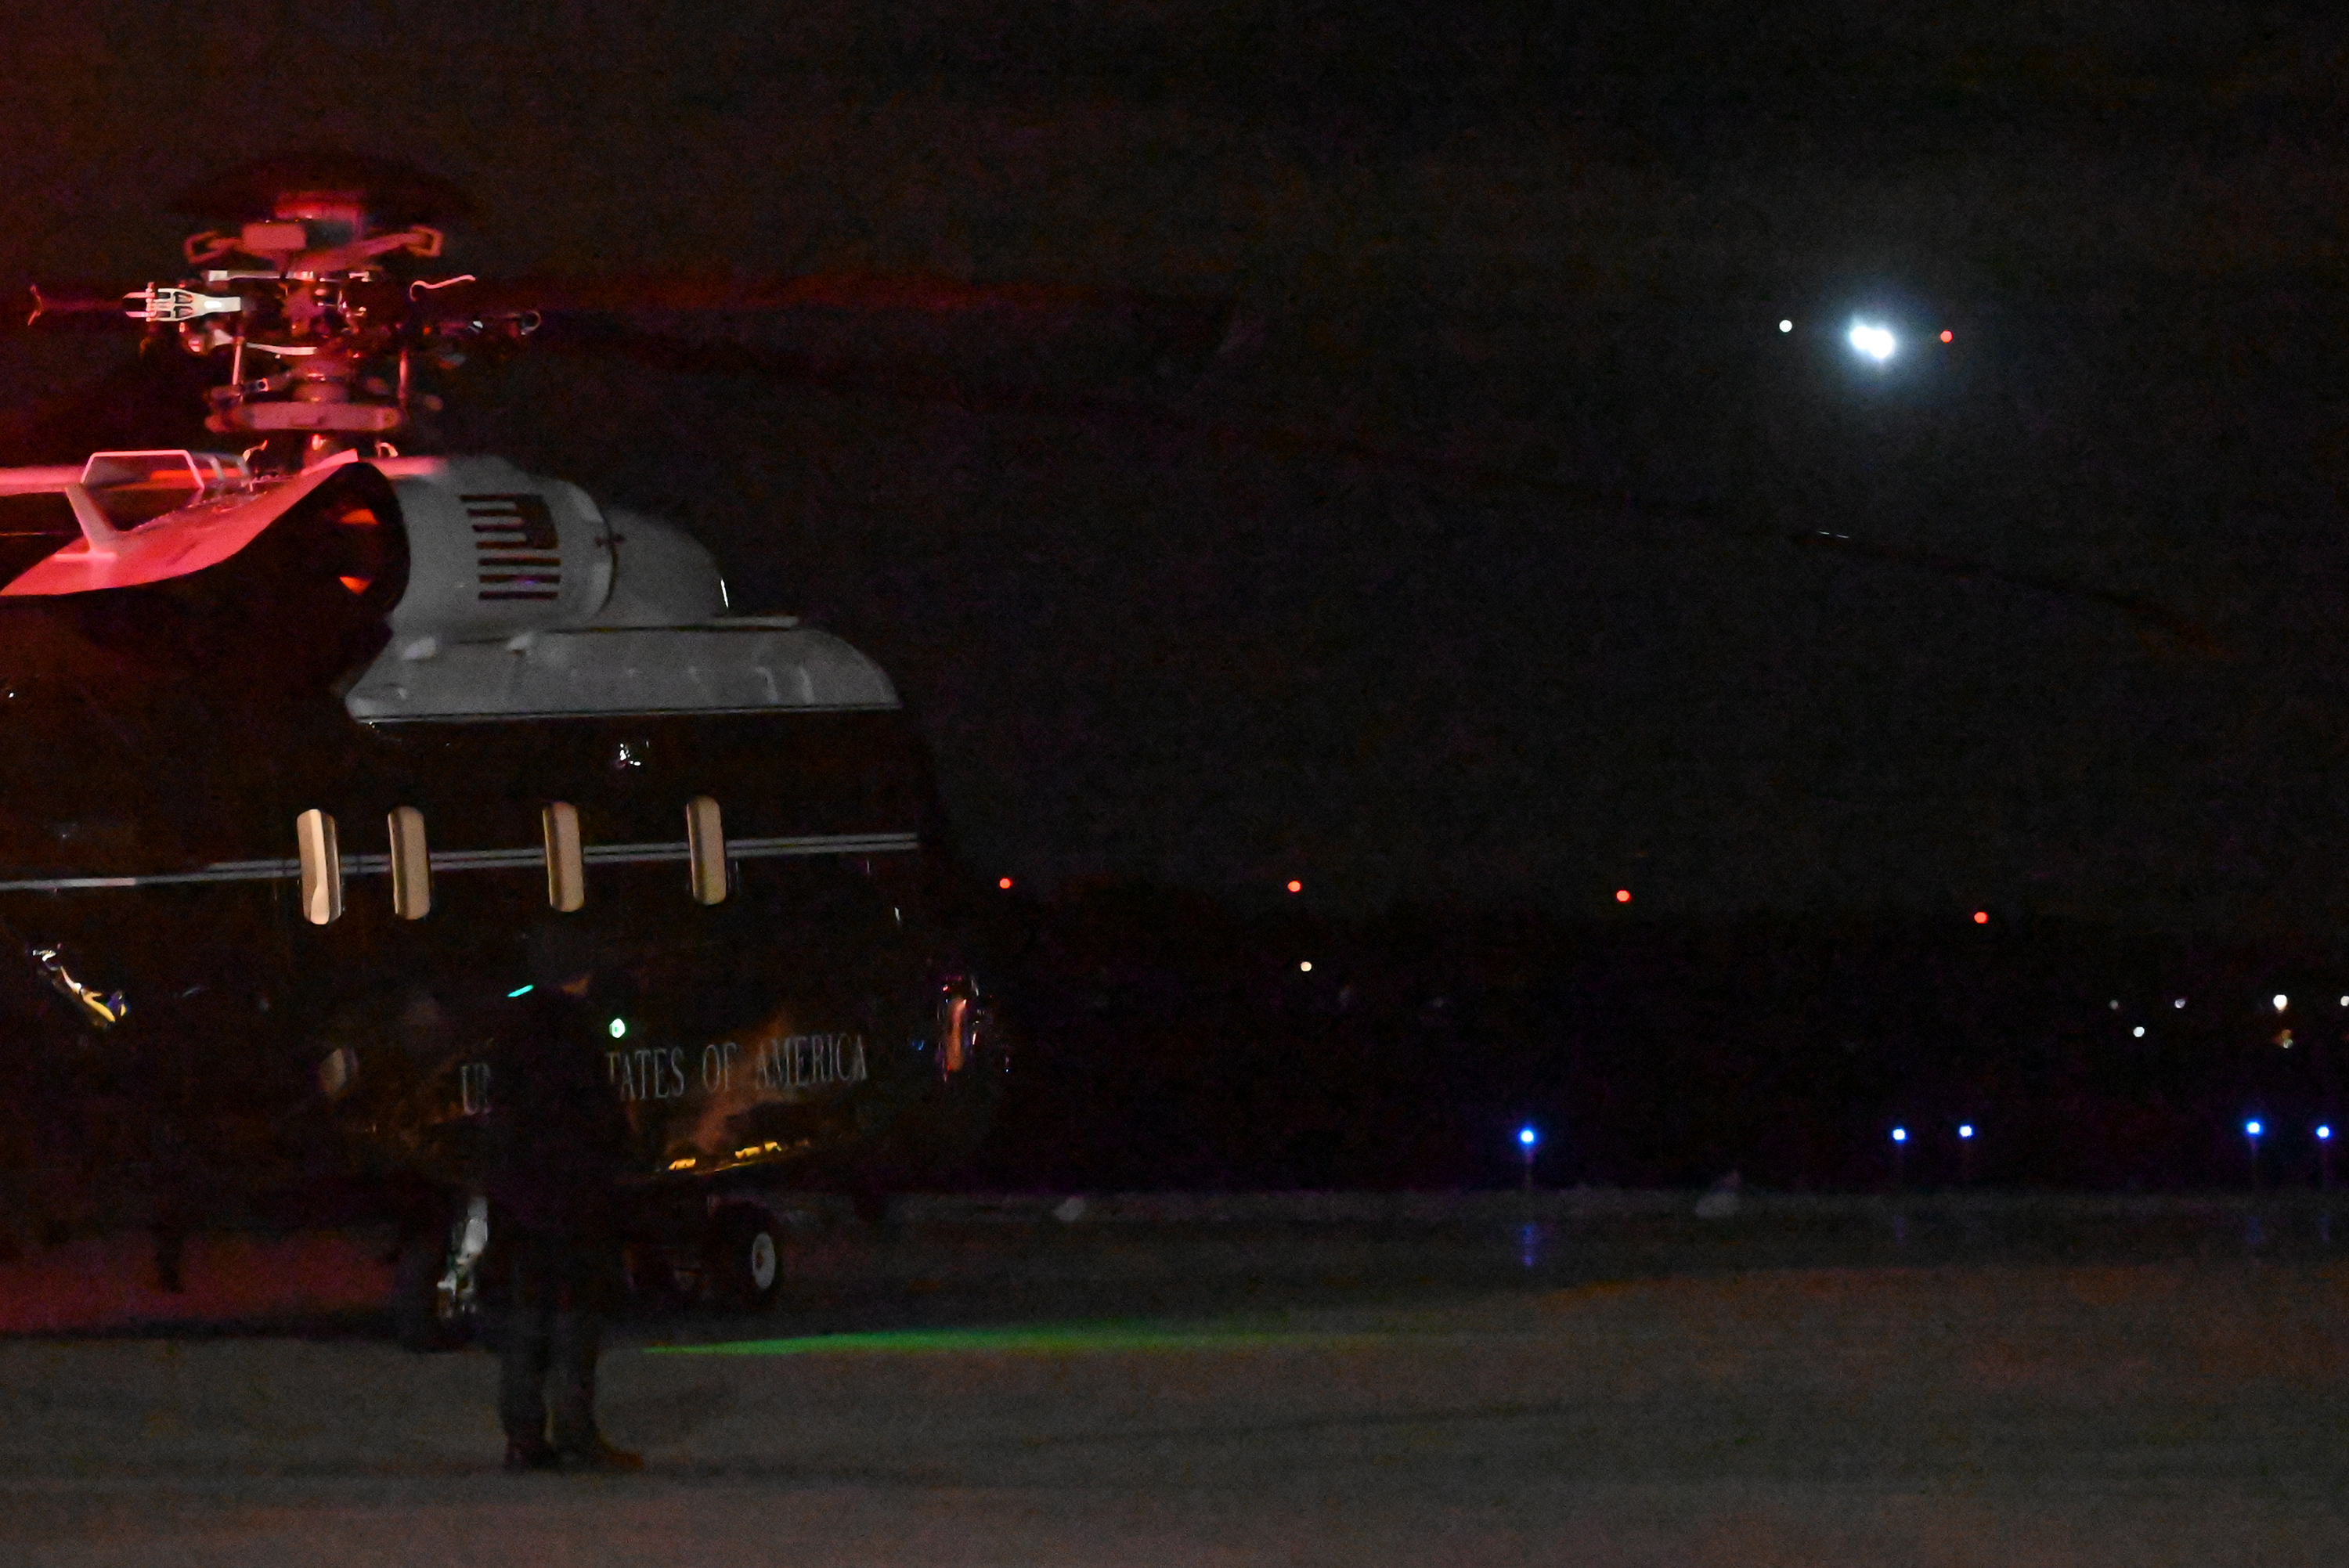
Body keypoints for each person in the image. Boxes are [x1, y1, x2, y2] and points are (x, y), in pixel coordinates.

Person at [483, 920, 641, 1473]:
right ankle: (576, 1430)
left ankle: (523, 1435)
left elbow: (503, 1116)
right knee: (576, 1318)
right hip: (574, 1196)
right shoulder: (576, 1031)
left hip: (523, 1197)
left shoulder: (511, 1028)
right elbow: (595, 1116)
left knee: (527, 1317)